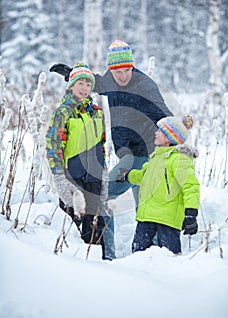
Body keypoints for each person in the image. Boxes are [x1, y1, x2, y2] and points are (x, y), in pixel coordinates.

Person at [50, 40, 172, 259]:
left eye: (127, 70)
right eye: (117, 72)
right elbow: (93, 83)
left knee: (104, 197)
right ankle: (147, 255)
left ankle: (112, 257)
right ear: (111, 70)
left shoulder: (144, 85)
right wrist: (72, 74)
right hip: (126, 154)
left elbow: (165, 116)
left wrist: (178, 142)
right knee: (145, 206)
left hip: (144, 154)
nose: (123, 76)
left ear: (132, 67)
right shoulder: (110, 80)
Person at [46, 62, 113, 260]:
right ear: (71, 85)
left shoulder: (97, 112)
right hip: (72, 176)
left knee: (95, 225)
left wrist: (103, 171)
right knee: (73, 223)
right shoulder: (63, 112)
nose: (84, 88)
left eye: (88, 84)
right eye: (80, 83)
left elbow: (102, 144)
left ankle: (96, 268)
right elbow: (53, 144)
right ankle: (70, 268)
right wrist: (59, 176)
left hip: (94, 176)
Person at [120, 115, 200, 254]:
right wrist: (127, 176)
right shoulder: (156, 157)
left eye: (160, 131)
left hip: (167, 220)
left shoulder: (179, 159)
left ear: (170, 138)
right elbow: (142, 177)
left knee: (169, 259)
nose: (155, 133)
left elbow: (190, 186)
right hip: (146, 218)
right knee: (137, 257)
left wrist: (191, 214)